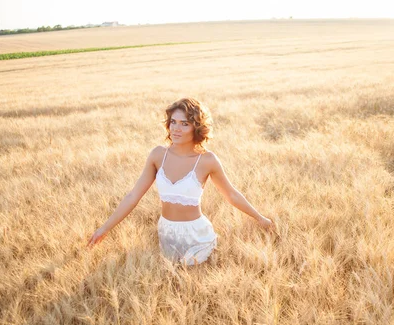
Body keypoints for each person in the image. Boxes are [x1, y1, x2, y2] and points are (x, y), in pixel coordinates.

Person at [87, 97, 275, 266]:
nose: (176, 128)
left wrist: (261, 219)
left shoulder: (207, 160)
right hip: (167, 234)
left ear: (197, 127)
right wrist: (104, 229)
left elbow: (232, 194)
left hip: (197, 236)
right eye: (173, 122)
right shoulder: (158, 155)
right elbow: (133, 196)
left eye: (184, 124)